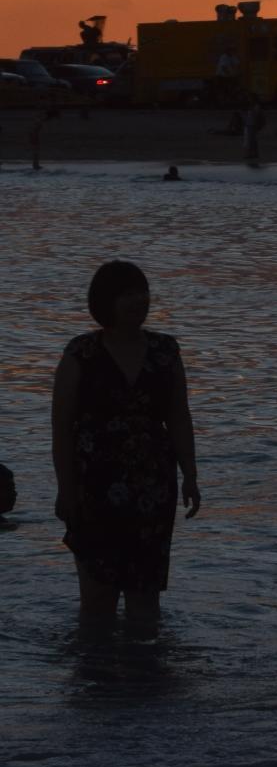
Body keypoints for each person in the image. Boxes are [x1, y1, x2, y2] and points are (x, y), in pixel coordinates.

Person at [52, 261, 202, 623]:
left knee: (145, 597)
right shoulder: (81, 354)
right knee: (97, 599)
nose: (139, 300)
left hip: (152, 486)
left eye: (142, 292)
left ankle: (145, 676)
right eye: (127, 294)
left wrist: (191, 475)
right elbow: (61, 427)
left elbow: (179, 416)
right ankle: (94, 677)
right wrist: (66, 489)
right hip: (94, 486)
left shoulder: (165, 351)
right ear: (106, 301)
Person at [241, 94, 265, 163]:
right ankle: (254, 153)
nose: (249, 100)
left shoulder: (255, 107)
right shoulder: (253, 107)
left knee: (251, 140)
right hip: (251, 124)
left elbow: (256, 115)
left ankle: (251, 154)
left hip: (252, 125)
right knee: (252, 140)